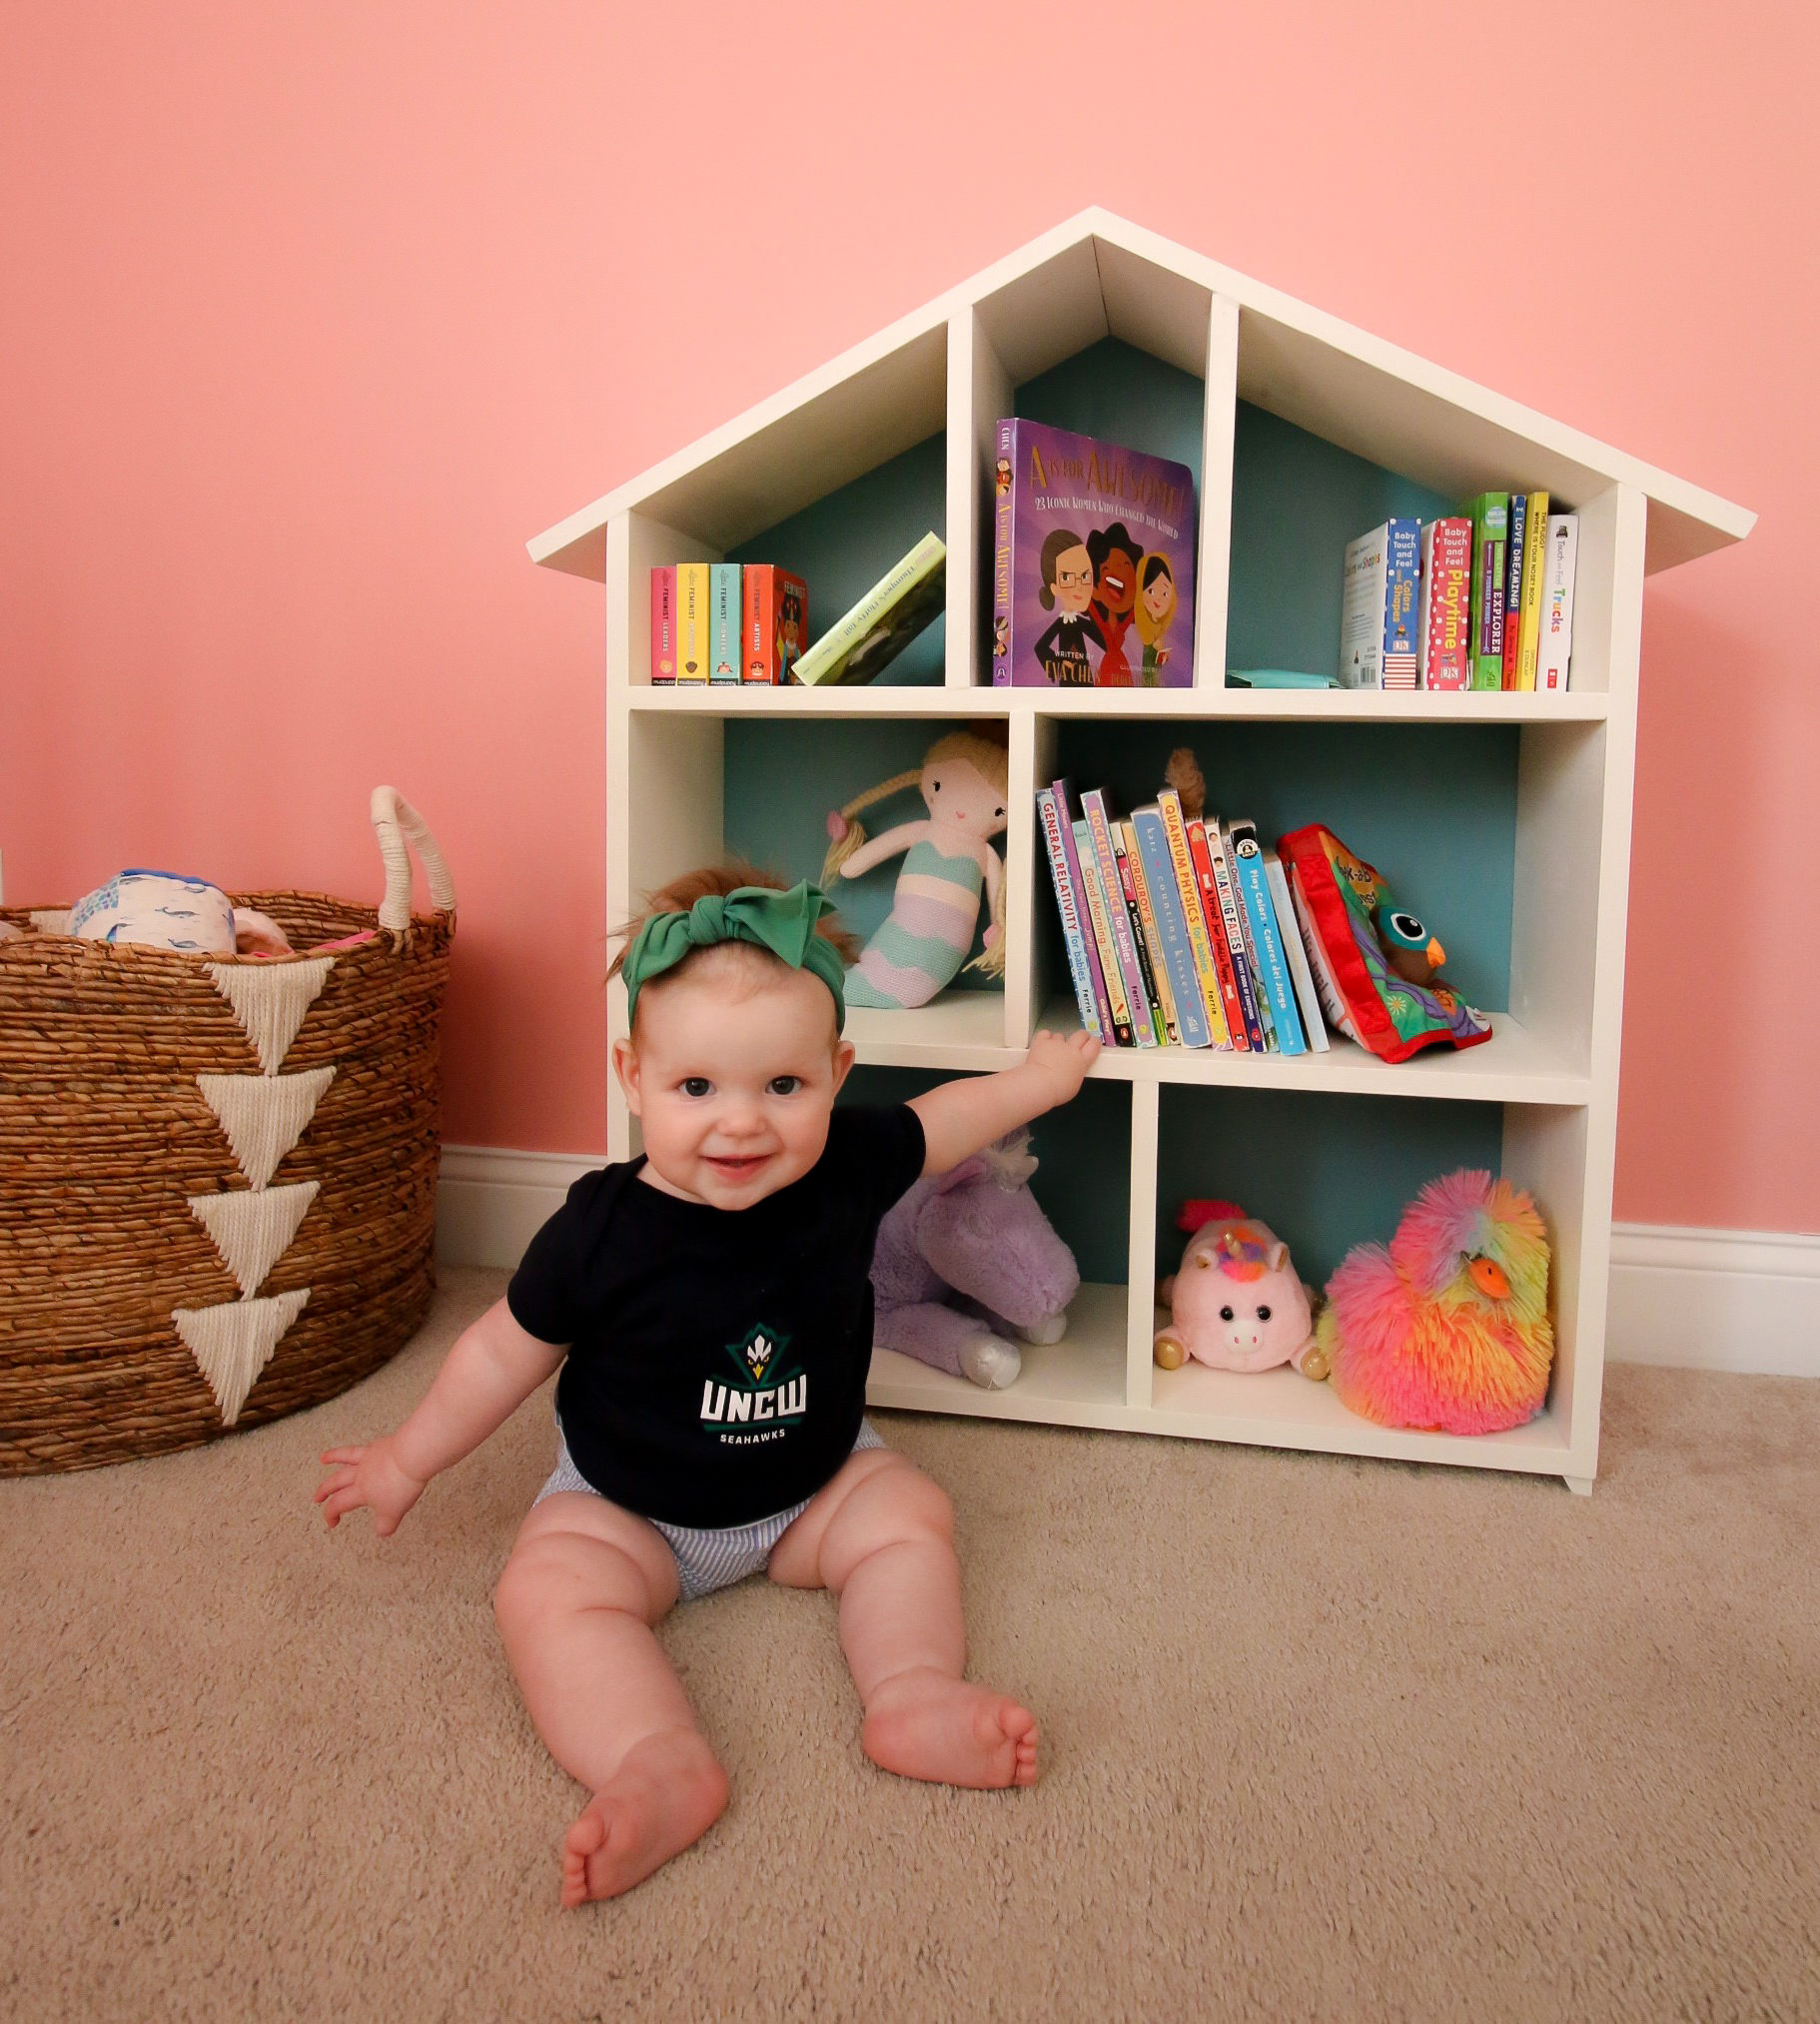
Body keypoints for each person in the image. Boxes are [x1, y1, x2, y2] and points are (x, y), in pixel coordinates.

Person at [315, 867, 1101, 1907]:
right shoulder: (599, 1229)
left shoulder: (850, 1163)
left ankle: (912, 1691)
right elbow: (501, 1348)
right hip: (628, 1508)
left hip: (813, 1487)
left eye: (784, 1086)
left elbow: (948, 1119)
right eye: (696, 1089)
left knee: (910, 1513)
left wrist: (1040, 1082)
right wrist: (405, 1457)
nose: (742, 1124)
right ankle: (654, 1757)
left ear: (836, 1071)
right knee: (543, 1589)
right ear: (632, 1076)